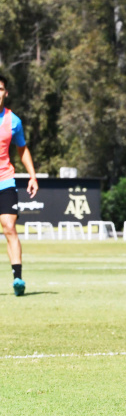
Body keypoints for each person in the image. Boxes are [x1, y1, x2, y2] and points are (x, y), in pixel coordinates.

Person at [0, 72, 39, 297]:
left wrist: (32, 176)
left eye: (0, 89)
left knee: (9, 227)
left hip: (5, 180)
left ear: (6, 92)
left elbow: (22, 150)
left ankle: (18, 279)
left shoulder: (13, 121)